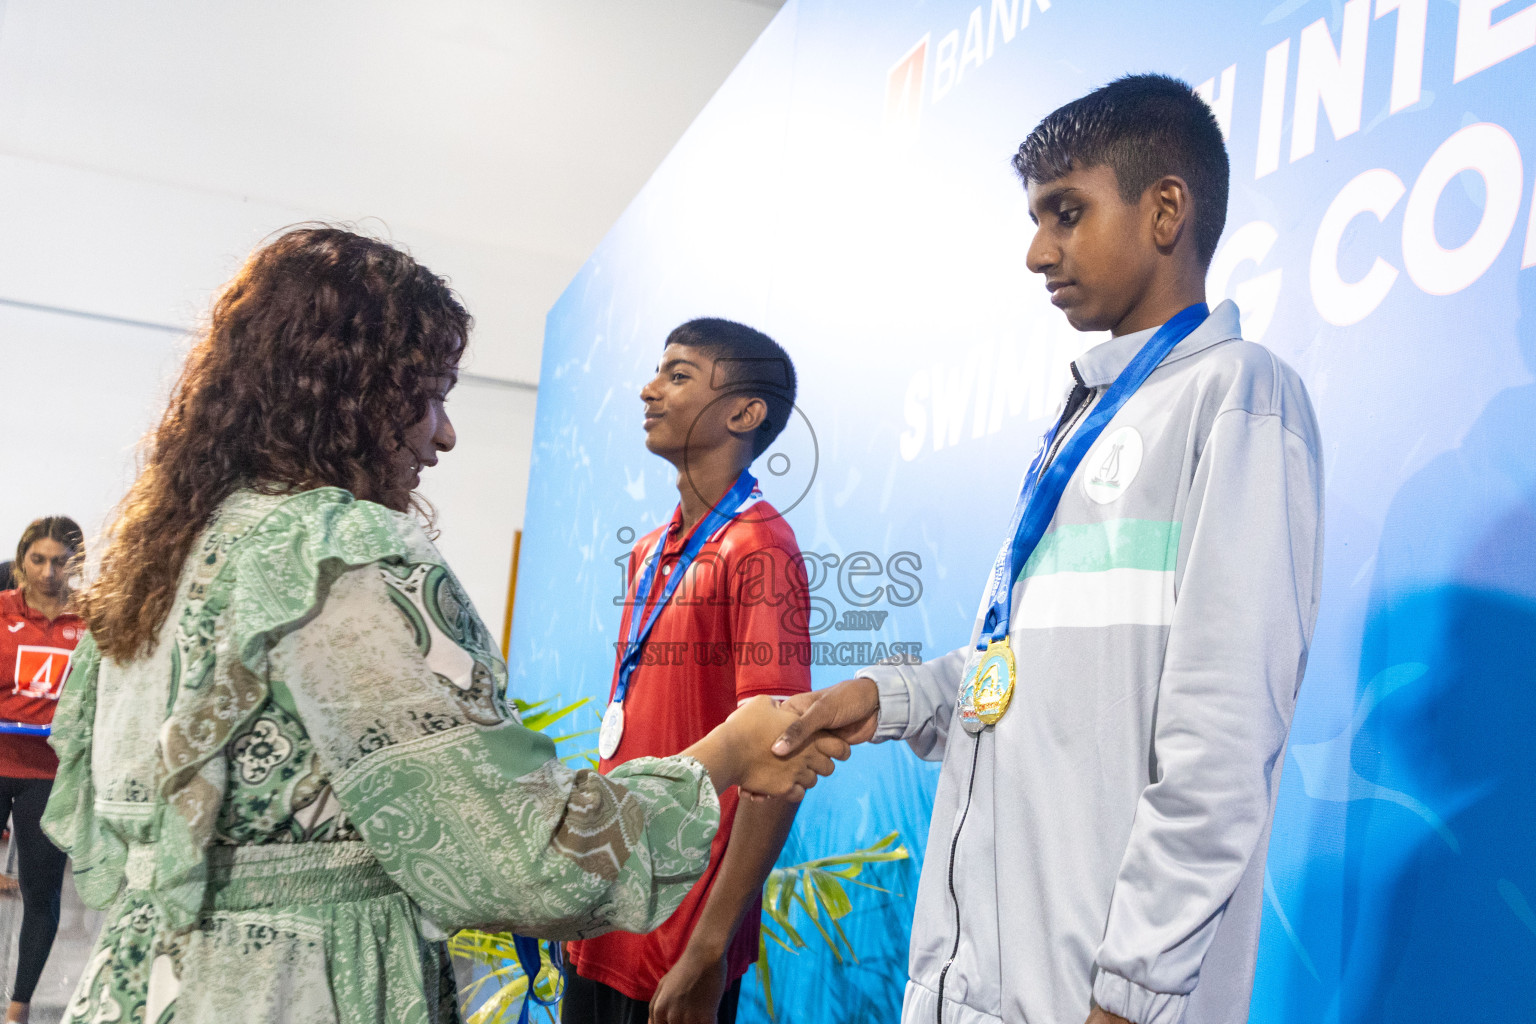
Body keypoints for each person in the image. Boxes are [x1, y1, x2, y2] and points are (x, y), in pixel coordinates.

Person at [40, 227, 848, 1024]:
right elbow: (518, 857)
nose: (447, 432)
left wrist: (709, 943)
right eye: (431, 395)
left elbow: (779, 742)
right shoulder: (342, 556)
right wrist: (727, 754)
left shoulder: (169, 549)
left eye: (679, 374)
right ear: (353, 395)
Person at [774, 75, 1324, 1024]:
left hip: (1092, 1006)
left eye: (1066, 213)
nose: (1037, 252)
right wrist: (889, 700)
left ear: (1165, 211)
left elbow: (1222, 742)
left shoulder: (1237, 396)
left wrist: (1134, 994)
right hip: (973, 992)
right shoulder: (1087, 421)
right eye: (1036, 219)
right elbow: (1021, 680)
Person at [563, 320, 811, 1024]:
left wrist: (708, 948)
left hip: (676, 939)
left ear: (743, 412)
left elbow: (779, 762)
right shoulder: (647, 552)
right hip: (605, 913)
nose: (649, 390)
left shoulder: (759, 547)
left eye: (677, 375)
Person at [0, 517, 85, 1023]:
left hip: (51, 774)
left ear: (76, 565)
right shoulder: (1, 610)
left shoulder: (96, 621)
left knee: (41, 891)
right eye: (38, 559)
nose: (49, 571)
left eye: (60, 561)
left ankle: (18, 1007)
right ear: (22, 559)